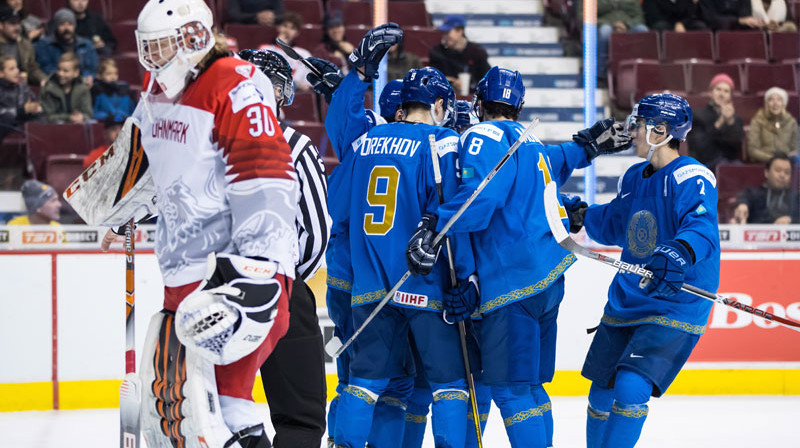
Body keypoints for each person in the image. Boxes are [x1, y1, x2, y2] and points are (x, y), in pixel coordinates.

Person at [406, 66, 632, 448]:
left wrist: (434, 224)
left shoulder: (482, 134)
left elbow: (482, 198)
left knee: (510, 392)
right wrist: (587, 148)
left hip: (511, 281)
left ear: (478, 102)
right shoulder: (530, 142)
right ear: (520, 106)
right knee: (530, 388)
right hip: (548, 277)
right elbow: (559, 160)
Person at [110, 0, 299, 446]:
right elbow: (143, 157)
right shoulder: (156, 88)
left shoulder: (234, 81)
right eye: (146, 49)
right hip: (185, 269)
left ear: (194, 37)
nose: (152, 59)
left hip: (237, 270)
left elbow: (266, 175)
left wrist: (256, 267)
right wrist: (120, 212)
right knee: (187, 410)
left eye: (160, 48)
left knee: (222, 405)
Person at [579, 93, 720, 448]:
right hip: (630, 296)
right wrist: (579, 213)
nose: (632, 131)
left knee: (630, 387)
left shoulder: (693, 175)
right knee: (601, 392)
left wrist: (677, 252)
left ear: (661, 130)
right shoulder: (634, 177)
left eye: (638, 125)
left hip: (673, 299)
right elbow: (615, 223)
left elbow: (701, 227)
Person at [238, 48, 330, 448]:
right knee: (300, 417)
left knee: (219, 410)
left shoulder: (207, 145)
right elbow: (316, 231)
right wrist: (291, 278)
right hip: (279, 288)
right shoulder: (293, 143)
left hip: (213, 291)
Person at [687, 73, 744, 172]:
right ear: (710, 92)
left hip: (729, 166)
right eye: (718, 89)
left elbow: (736, 151)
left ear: (730, 96)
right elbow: (699, 148)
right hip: (704, 165)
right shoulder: (697, 115)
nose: (721, 94)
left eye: (726, 91)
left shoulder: (736, 120)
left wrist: (730, 122)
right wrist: (720, 121)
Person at [428, 14, 490, 95]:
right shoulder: (437, 52)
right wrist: (450, 81)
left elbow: (487, 78)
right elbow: (431, 78)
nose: (445, 36)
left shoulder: (477, 53)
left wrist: (471, 85)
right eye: (444, 32)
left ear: (460, 31)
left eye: (448, 32)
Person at [730, 154, 798, 224]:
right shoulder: (752, 194)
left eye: (787, 172)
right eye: (778, 170)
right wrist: (742, 205)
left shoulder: (796, 198)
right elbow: (743, 199)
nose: (782, 175)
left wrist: (791, 220)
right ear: (766, 172)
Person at [594, 0, 648, 83]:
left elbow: (639, 16)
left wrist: (627, 24)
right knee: (605, 31)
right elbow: (588, 16)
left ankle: (644, 71)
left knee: (642, 30)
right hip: (605, 25)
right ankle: (601, 75)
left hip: (628, 26)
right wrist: (613, 25)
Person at [34, 8, 97, 80]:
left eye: (70, 24)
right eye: (62, 24)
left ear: (74, 26)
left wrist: (87, 78)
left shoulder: (86, 44)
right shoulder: (44, 44)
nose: (66, 28)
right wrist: (67, 77)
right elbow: (46, 68)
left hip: (82, 84)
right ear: (56, 26)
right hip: (57, 83)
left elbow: (92, 68)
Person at [259, 12, 311, 91]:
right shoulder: (265, 49)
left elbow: (306, 85)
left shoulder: (304, 54)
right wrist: (281, 46)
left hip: (296, 94)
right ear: (278, 27)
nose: (287, 30)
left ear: (297, 33)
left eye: (292, 28)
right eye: (285, 26)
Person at [747, 86, 799, 163]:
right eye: (771, 99)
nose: (775, 103)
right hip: (765, 162)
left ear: (784, 103)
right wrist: (772, 159)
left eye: (779, 99)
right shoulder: (757, 121)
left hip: (787, 163)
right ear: (766, 103)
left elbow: (796, 148)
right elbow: (752, 149)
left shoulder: (791, 122)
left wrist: (785, 159)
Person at [40, 51, 92, 123]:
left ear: (76, 73)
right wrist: (69, 117)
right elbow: (47, 116)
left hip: (78, 128)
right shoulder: (49, 89)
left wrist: (82, 117)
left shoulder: (83, 89)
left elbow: (89, 114)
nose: (60, 74)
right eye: (59, 69)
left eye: (65, 71)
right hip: (55, 129)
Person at [0, 4, 45, 86]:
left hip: (21, 90)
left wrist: (43, 79)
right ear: (1, 25)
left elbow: (32, 68)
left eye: (18, 23)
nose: (17, 27)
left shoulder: (25, 44)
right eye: (12, 23)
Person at [0, 54, 41, 142]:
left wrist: (35, 108)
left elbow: (35, 104)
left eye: (17, 67)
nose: (17, 71)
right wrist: (22, 111)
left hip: (24, 128)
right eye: (11, 69)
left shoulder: (23, 88)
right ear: (1, 73)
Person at [312, 10, 353, 74]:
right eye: (331, 27)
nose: (335, 30)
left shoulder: (350, 47)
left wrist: (352, 53)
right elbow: (320, 75)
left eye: (338, 25)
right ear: (326, 30)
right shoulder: (320, 50)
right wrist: (336, 60)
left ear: (344, 27)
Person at [642, 0, 707, 31]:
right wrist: (675, 24)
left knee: (699, 26)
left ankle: (697, 54)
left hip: (683, 23)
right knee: (660, 26)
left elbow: (691, 14)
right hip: (664, 23)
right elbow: (654, 16)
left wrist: (681, 23)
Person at [699, 0, 765, 30]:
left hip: (740, 32)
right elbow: (710, 19)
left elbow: (746, 16)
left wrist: (755, 22)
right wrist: (738, 21)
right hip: (716, 32)